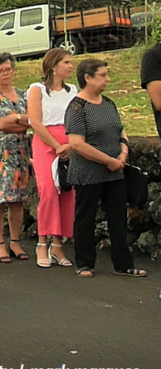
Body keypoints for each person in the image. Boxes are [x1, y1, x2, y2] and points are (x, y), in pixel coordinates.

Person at [66, 59, 147, 279]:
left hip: (115, 171)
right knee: (86, 217)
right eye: (102, 75)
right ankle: (84, 262)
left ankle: (123, 263)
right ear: (88, 78)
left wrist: (122, 153)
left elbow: (121, 131)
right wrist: (107, 160)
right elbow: (77, 143)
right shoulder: (77, 107)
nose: (107, 79)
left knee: (118, 218)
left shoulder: (109, 103)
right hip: (88, 171)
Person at [27, 48, 77, 268]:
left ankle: (58, 244)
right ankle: (42, 242)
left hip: (69, 142)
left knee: (67, 191)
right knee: (48, 190)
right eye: (66, 62)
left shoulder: (73, 90)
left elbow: (77, 120)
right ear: (54, 66)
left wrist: (70, 145)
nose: (70, 66)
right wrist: (57, 145)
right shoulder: (37, 90)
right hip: (46, 143)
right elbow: (35, 122)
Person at [0, 52, 32, 264]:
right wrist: (21, 120)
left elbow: (34, 120)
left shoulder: (23, 95)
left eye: (8, 69)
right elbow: (0, 124)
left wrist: (17, 119)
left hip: (21, 154)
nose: (5, 74)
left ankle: (15, 240)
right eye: (0, 71)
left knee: (17, 199)